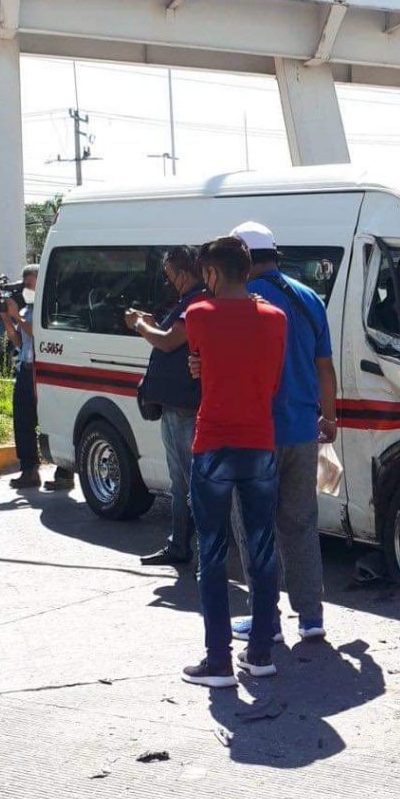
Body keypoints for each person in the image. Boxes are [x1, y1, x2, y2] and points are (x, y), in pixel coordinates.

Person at [220, 222, 337, 645]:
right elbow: (324, 367)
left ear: (242, 259)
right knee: (300, 523)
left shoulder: (238, 302)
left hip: (253, 436)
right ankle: (311, 616)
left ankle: (265, 618)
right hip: (302, 431)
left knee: (254, 526)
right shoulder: (307, 298)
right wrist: (330, 418)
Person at [182, 236, 287, 688]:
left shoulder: (197, 314)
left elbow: (204, 356)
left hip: (214, 443)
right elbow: (268, 376)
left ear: (211, 273)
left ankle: (218, 660)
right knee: (262, 548)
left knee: (212, 550)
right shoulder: (276, 318)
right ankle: (261, 650)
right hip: (259, 440)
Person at [125, 246, 207, 566]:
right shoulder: (191, 301)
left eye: (170, 275)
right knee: (184, 479)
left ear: (183, 274)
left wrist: (140, 325)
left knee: (185, 480)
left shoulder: (196, 302)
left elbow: (168, 341)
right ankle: (185, 544)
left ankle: (187, 546)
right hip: (179, 404)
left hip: (184, 407)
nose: (169, 281)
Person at [0, 265, 41, 489]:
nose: (25, 289)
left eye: (29, 284)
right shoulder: (26, 310)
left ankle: (64, 472)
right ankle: (29, 470)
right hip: (25, 368)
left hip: (42, 370)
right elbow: (19, 342)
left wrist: (16, 315)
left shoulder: (45, 307)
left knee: (49, 419)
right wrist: (8, 320)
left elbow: (39, 333)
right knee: (23, 421)